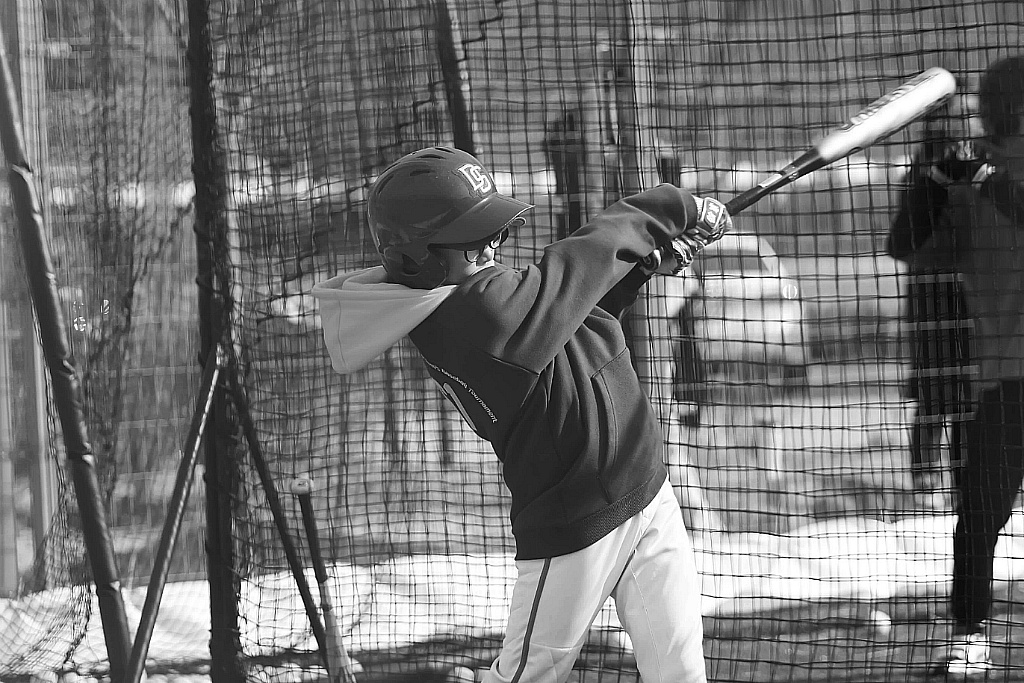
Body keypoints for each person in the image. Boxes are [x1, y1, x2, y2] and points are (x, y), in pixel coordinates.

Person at [312, 146, 732, 683]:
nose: (491, 246)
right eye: (473, 240)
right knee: (525, 677)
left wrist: (641, 269)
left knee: (680, 670)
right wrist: (675, 208)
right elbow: (582, 263)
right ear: (418, 258)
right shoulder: (475, 315)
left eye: (493, 233)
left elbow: (580, 320)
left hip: (645, 492)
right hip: (575, 526)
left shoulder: (473, 299)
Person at [918, 56, 1024, 677]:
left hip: (1003, 382)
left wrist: (980, 175)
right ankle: (968, 633)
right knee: (979, 518)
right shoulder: (966, 172)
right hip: (1002, 382)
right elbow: (908, 246)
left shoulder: (986, 174)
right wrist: (929, 172)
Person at [887, 96, 981, 512]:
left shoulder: (969, 166)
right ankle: (926, 482)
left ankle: (959, 483)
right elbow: (903, 242)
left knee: (962, 398)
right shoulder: (923, 173)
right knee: (934, 397)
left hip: (964, 300)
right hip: (931, 300)